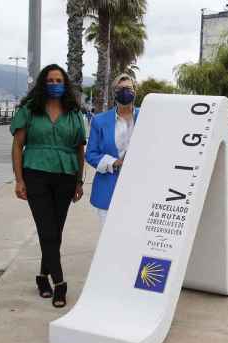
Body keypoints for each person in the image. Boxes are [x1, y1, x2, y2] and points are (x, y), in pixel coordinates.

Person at [10, 64, 86, 308]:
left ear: (66, 84)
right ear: (43, 83)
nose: (55, 84)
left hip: (65, 175)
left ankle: (43, 278)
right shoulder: (30, 110)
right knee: (47, 230)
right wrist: (19, 179)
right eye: (51, 80)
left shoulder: (74, 112)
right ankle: (60, 283)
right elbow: (17, 146)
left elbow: (79, 149)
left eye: (59, 80)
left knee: (56, 231)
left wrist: (79, 180)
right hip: (36, 175)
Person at [86, 73, 139, 226]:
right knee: (108, 234)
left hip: (139, 186)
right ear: (114, 93)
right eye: (120, 89)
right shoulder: (99, 121)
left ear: (135, 91)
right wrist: (116, 162)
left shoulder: (147, 116)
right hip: (108, 186)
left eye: (128, 88)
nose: (125, 92)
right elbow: (91, 154)